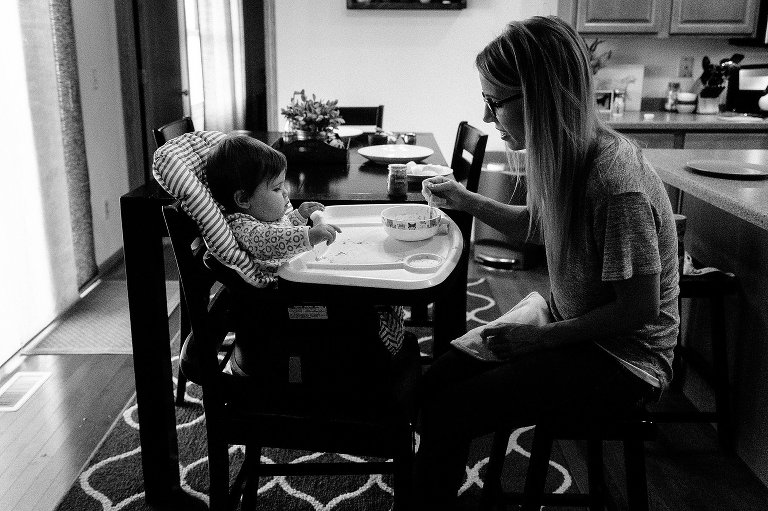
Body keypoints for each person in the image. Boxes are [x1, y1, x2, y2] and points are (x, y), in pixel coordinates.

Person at [413, 16, 679, 508]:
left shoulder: (616, 182)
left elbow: (638, 310)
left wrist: (537, 339)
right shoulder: (565, 154)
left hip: (624, 361)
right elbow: (541, 226)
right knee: (434, 380)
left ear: (539, 98)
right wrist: (465, 199)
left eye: (495, 102)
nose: (489, 117)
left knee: (454, 407)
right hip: (571, 324)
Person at [206, 135, 409, 375]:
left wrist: (298, 217)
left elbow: (278, 230)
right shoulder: (243, 226)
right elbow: (270, 242)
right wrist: (309, 236)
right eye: (277, 188)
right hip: (285, 304)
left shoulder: (256, 217)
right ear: (243, 199)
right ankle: (366, 354)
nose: (286, 194)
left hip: (295, 286)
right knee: (357, 302)